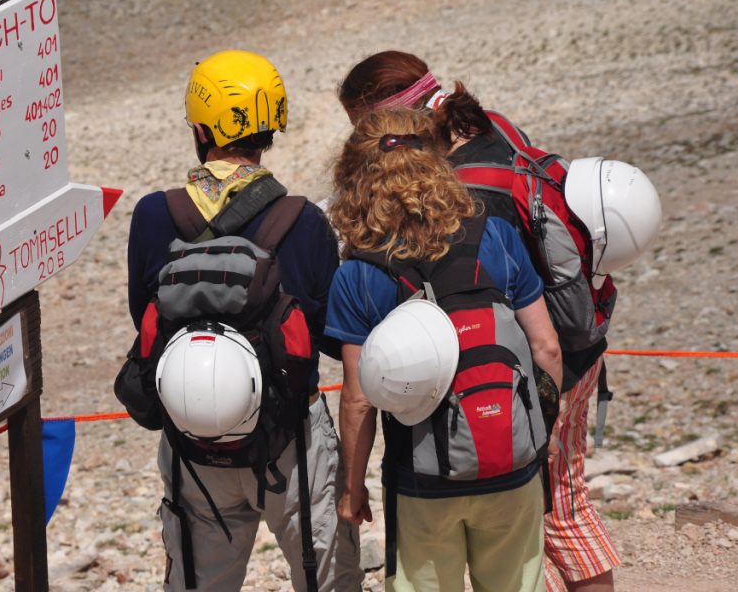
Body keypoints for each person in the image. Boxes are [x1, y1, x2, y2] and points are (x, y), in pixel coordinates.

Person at [337, 51, 620, 592]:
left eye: (367, 129)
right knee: (558, 510)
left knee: (558, 515)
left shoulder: (458, 194)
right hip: (559, 349)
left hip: (498, 381)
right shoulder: (497, 129)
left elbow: (359, 392)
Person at [126, 49, 364, 591]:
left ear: (202, 128)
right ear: (271, 127)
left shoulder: (151, 215)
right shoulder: (303, 221)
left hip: (193, 443)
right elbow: (329, 334)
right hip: (292, 443)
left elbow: (143, 317)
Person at [325, 109, 563, 592]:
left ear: (355, 174)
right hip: (511, 464)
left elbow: (358, 399)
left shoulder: (358, 274)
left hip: (422, 476)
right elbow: (546, 347)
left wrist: (352, 489)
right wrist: (541, 435)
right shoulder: (494, 236)